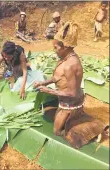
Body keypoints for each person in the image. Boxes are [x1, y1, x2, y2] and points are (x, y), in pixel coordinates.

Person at [33, 21, 108, 149]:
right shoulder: (65, 58)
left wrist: (48, 91)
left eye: (56, 47)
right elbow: (57, 77)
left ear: (65, 47)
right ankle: (74, 120)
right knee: (51, 116)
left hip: (70, 103)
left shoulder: (70, 65)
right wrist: (43, 82)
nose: (54, 50)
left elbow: (72, 93)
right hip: (64, 101)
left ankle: (96, 129)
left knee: (57, 132)